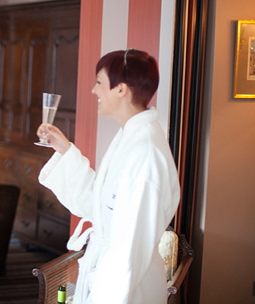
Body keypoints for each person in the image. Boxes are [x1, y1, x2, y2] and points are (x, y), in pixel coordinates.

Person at [36, 49, 180, 304]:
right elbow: (99, 202)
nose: (94, 91)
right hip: (105, 272)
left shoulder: (145, 153)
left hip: (126, 288)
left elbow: (129, 249)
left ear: (121, 89)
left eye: (99, 82)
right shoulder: (130, 137)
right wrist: (64, 148)